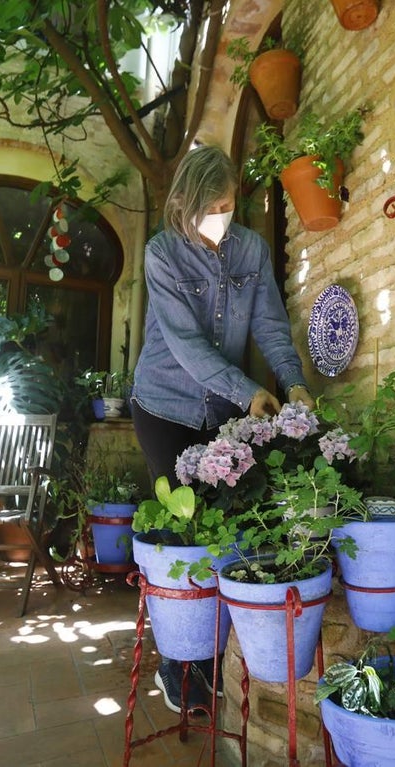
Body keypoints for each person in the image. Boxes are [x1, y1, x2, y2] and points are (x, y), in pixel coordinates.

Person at [131, 144, 315, 713]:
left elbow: (269, 324)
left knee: (224, 531)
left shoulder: (252, 250)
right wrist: (248, 393)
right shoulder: (162, 254)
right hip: (165, 405)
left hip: (222, 412)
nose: (220, 216)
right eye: (209, 207)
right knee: (183, 528)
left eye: (228, 204)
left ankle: (203, 660)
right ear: (184, 204)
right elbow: (185, 345)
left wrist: (293, 382)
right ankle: (176, 662)